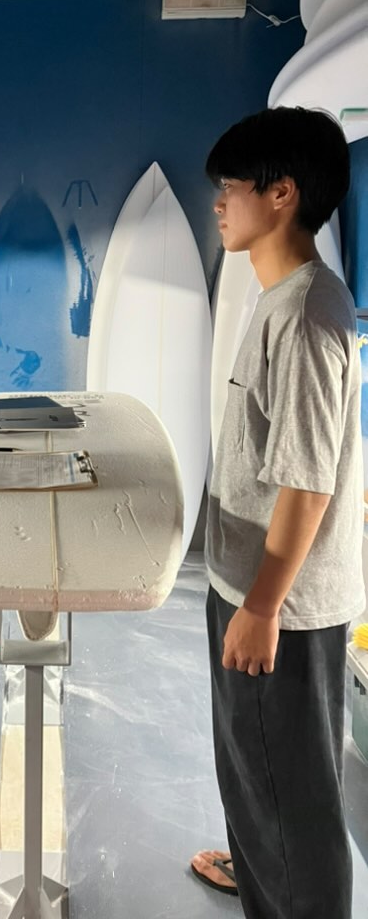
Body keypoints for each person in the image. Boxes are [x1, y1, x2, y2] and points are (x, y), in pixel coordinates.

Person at [189, 107, 364, 917]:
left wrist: (261, 607)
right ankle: (261, 870)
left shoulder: (304, 317)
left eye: (231, 187)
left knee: (292, 795)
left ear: (282, 193)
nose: (219, 203)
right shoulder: (282, 298)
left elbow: (308, 485)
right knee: (259, 775)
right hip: (253, 588)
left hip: (281, 608)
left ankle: (290, 890)